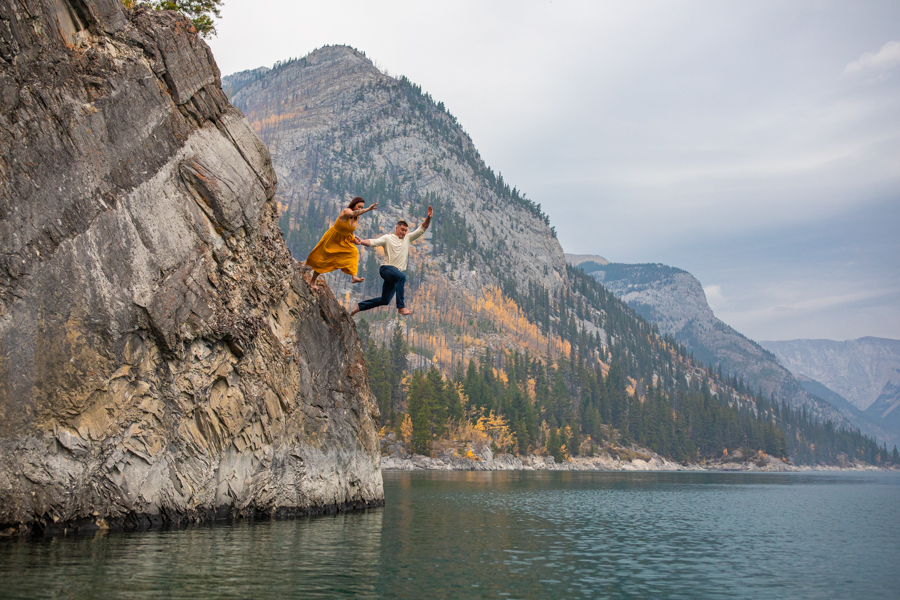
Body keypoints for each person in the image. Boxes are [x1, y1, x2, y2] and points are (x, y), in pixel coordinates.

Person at [351, 206, 432, 317]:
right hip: (386, 268)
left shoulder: (408, 238)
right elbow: (373, 242)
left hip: (395, 274)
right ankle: (401, 307)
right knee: (402, 277)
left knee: (385, 300)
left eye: (405, 231)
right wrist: (361, 242)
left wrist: (428, 218)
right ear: (396, 228)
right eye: (402, 230)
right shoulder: (388, 238)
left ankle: (360, 307)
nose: (403, 233)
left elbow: (422, 229)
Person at [305, 197, 377, 291]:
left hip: (344, 239)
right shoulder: (346, 212)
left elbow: (351, 230)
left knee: (354, 252)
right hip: (333, 238)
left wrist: (354, 238)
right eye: (358, 206)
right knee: (323, 260)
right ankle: (312, 281)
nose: (360, 209)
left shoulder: (356, 217)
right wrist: (368, 209)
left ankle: (353, 277)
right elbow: (352, 213)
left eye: (362, 207)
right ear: (353, 204)